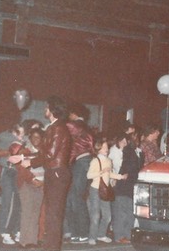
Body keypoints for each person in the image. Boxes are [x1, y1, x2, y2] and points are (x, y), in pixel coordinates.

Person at [10, 96, 72, 251]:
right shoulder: (55, 127)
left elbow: (49, 154)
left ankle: (52, 248)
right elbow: (45, 153)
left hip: (56, 174)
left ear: (52, 110)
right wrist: (24, 157)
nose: (44, 110)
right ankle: (51, 247)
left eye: (46, 107)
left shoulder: (57, 128)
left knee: (53, 214)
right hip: (55, 173)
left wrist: (29, 162)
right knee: (52, 213)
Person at [86, 136, 127, 245]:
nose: (106, 149)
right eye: (104, 147)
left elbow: (109, 174)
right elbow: (89, 175)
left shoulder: (109, 160)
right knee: (95, 215)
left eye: (107, 147)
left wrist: (120, 177)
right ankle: (92, 236)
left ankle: (101, 234)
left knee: (107, 216)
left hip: (105, 191)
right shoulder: (95, 161)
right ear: (98, 149)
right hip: (95, 190)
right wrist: (101, 171)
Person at [64, 100, 94, 244]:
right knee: (73, 198)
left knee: (75, 198)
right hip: (79, 164)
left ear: (74, 114)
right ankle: (77, 232)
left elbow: (65, 127)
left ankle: (81, 232)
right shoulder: (84, 127)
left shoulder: (77, 125)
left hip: (80, 163)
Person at [14, 127, 45, 248]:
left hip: (41, 184)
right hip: (27, 184)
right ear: (30, 138)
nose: (36, 139)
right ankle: (24, 241)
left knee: (36, 212)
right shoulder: (25, 151)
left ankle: (32, 240)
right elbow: (21, 168)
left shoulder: (44, 152)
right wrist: (32, 179)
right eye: (34, 137)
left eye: (38, 137)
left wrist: (43, 182)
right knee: (27, 211)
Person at [0, 123, 24, 245]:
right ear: (14, 132)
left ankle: (14, 229)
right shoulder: (8, 140)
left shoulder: (12, 141)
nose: (23, 136)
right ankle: (5, 231)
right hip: (9, 172)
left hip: (16, 172)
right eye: (21, 133)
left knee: (17, 203)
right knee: (9, 202)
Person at [112, 131, 142, 244]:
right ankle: (121, 235)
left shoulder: (132, 151)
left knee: (125, 212)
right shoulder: (128, 151)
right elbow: (128, 167)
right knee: (124, 212)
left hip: (126, 185)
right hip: (126, 185)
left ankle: (124, 235)